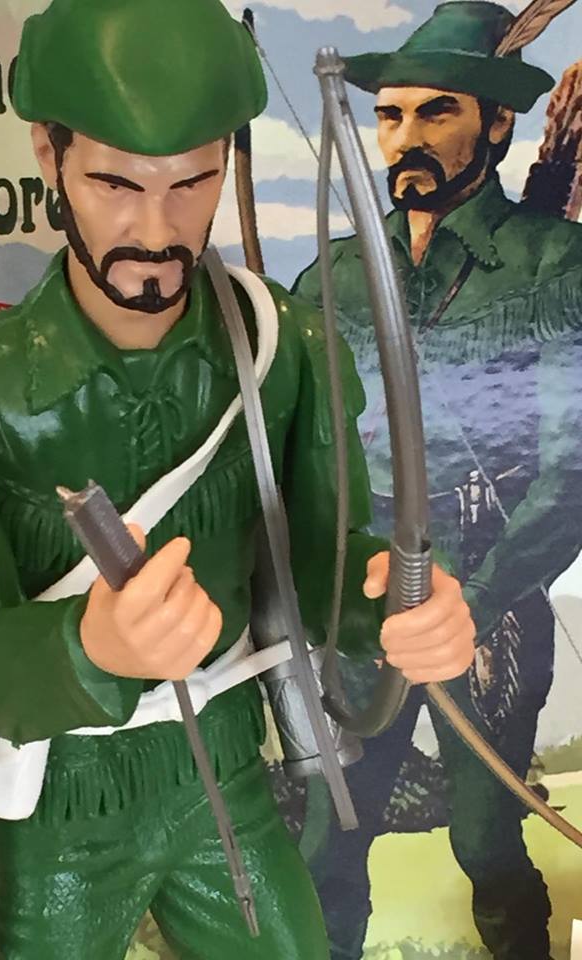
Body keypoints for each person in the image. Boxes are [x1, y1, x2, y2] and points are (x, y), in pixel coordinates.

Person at [0, 1, 475, 958]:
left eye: (192, 183)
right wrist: (91, 645)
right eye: (115, 182)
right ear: (49, 153)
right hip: (63, 798)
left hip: (224, 770)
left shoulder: (284, 348)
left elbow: (317, 564)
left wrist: (393, 604)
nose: (155, 229)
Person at [294, 3, 582, 958]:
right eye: (390, 114)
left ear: (496, 123)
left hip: (488, 586)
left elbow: (572, 473)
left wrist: (473, 600)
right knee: (328, 839)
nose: (405, 137)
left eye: (436, 112)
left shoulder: (556, 265)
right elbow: (306, 457)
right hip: (361, 596)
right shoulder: (329, 280)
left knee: (485, 841)